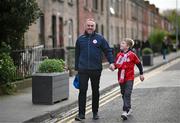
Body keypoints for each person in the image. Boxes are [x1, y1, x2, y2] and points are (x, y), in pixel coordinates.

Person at [75, 18, 115, 121]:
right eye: (88, 25)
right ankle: (81, 114)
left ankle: (95, 112)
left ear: (94, 27)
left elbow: (108, 50)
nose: (90, 27)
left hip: (96, 69)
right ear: (85, 26)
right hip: (83, 69)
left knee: (95, 91)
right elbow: (77, 55)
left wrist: (111, 62)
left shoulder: (100, 38)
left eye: (92, 26)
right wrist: (77, 69)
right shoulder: (80, 39)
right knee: (82, 91)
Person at [114, 38, 144, 120]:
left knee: (127, 93)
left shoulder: (132, 55)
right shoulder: (118, 55)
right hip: (121, 78)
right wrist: (113, 66)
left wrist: (141, 74)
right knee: (123, 93)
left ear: (127, 46)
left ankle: (125, 111)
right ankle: (129, 108)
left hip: (129, 77)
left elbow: (139, 64)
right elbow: (116, 65)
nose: (121, 44)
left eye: (123, 43)